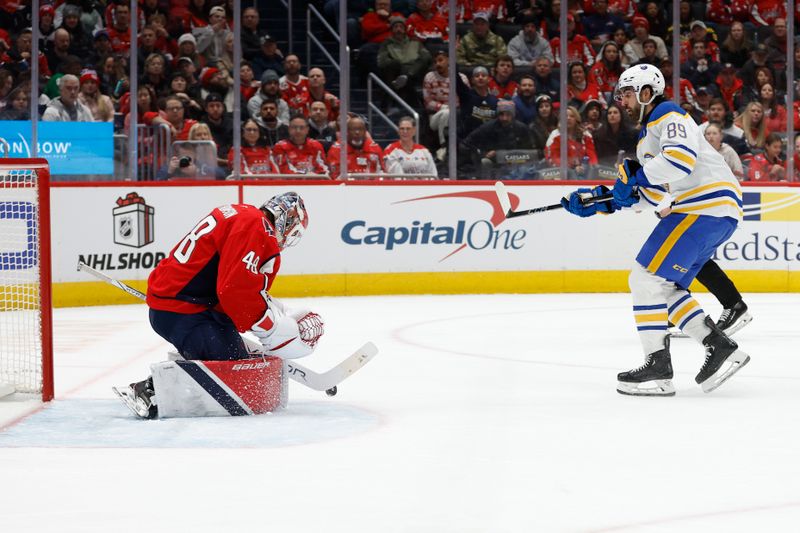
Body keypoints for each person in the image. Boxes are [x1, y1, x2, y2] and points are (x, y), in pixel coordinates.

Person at [560, 64, 750, 396]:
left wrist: (633, 176)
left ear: (648, 92)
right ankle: (718, 347)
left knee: (644, 277)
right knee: (663, 288)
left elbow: (680, 159)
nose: (623, 102)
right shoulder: (646, 140)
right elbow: (649, 194)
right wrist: (603, 201)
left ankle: (658, 367)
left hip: (704, 207)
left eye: (629, 94)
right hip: (710, 211)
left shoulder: (667, 113)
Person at [115, 192, 321, 418]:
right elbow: (234, 289)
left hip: (188, 303)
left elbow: (231, 282)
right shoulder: (257, 227)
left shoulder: (244, 214)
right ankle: (149, 390)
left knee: (236, 358)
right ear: (287, 220)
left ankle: (195, 355)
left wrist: (262, 309)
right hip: (182, 309)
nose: (287, 239)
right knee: (233, 369)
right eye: (293, 231)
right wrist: (266, 324)